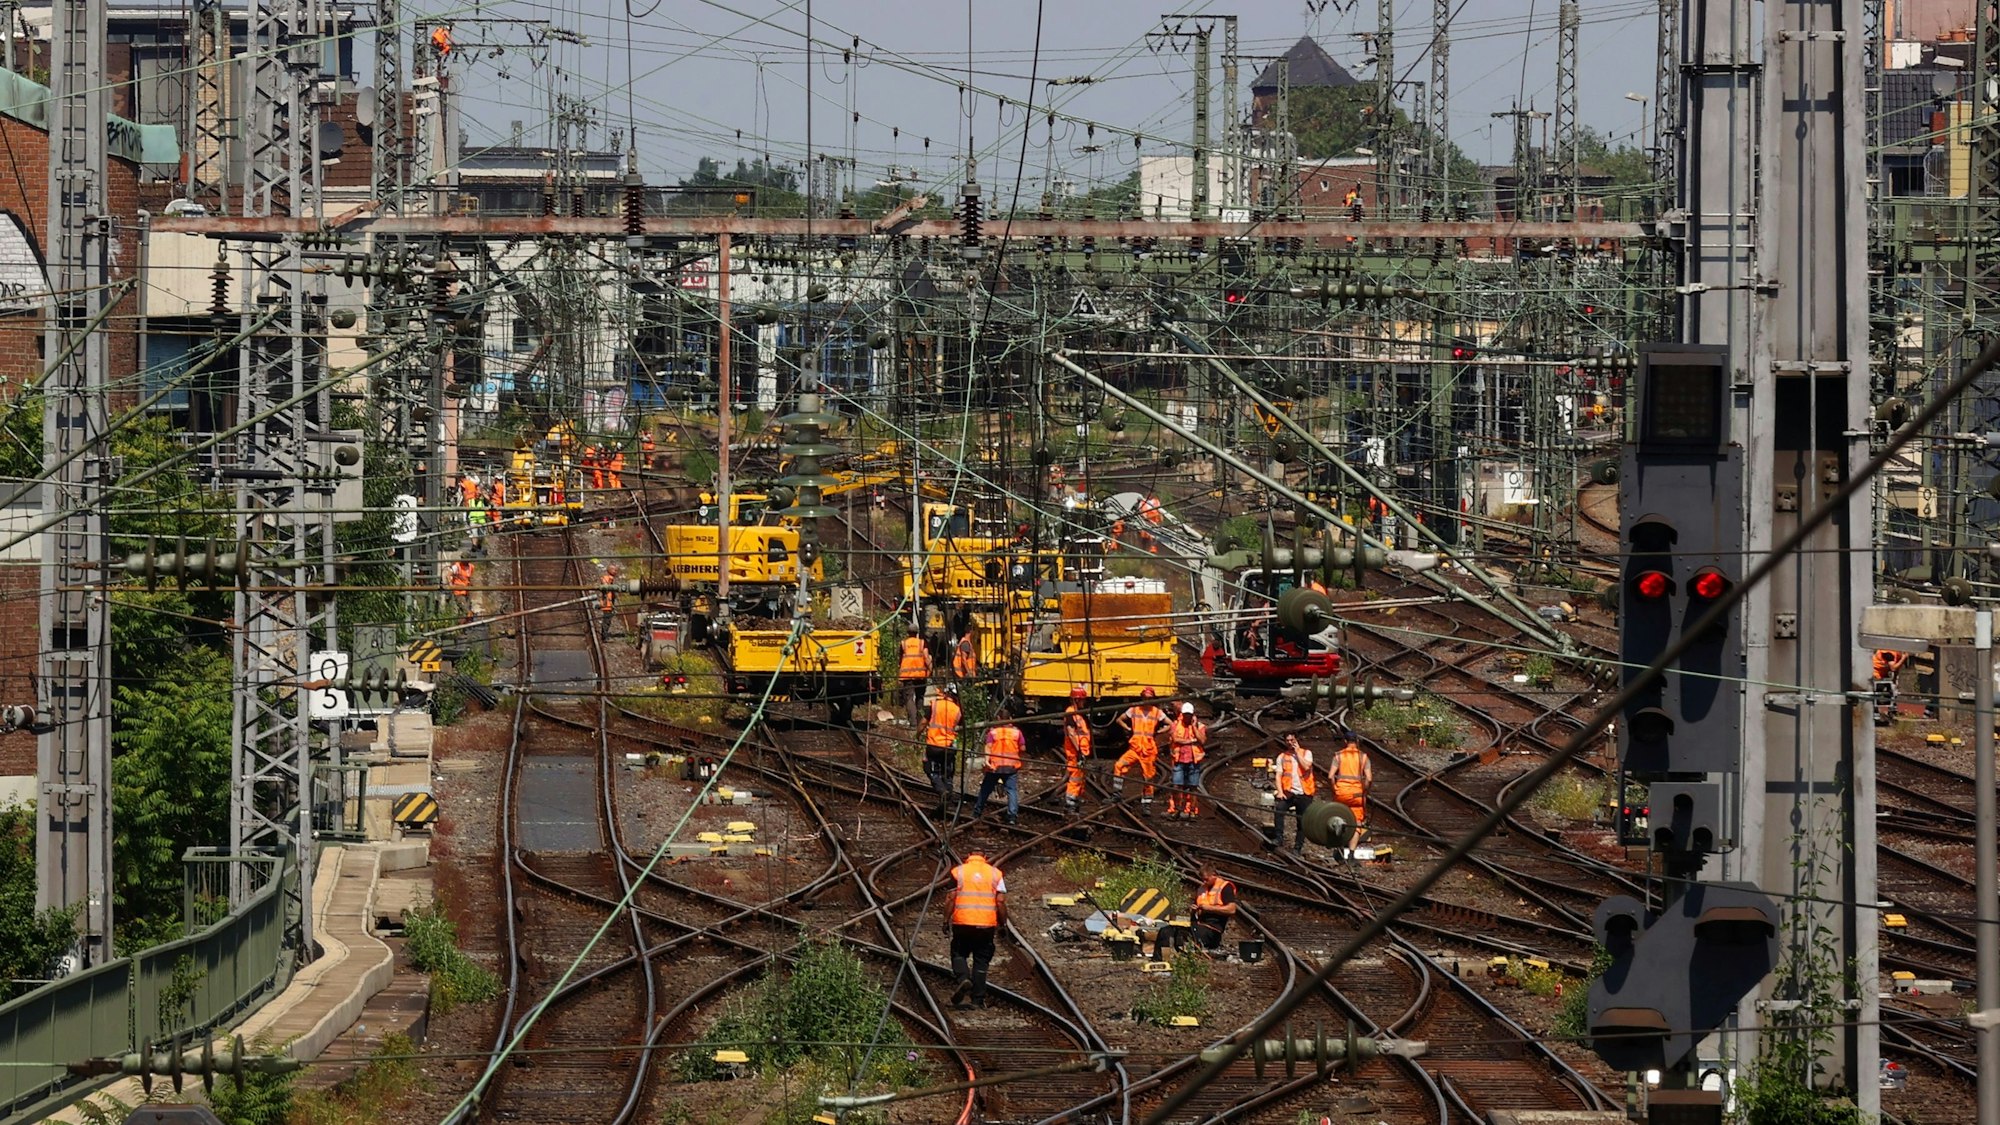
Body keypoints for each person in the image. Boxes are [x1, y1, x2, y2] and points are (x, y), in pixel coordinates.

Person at [947, 850, 1006, 1008]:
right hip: (986, 925)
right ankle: (977, 1000)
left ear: (968, 858)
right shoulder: (995, 873)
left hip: (962, 922)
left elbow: (951, 898)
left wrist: (946, 920)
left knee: (958, 952)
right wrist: (1003, 923)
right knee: (981, 959)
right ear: (985, 858)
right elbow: (1000, 901)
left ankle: (963, 979)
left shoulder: (958, 872)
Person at [1113, 687, 1168, 811]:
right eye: (1145, 698)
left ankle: (1146, 803)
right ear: (1142, 697)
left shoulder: (1157, 712)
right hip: (1135, 748)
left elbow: (1170, 724)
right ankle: (1116, 794)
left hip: (1148, 750)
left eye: (1149, 698)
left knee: (1148, 777)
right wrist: (1127, 728)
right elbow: (1119, 719)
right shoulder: (1134, 709)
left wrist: (1158, 731)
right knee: (1119, 766)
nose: (1146, 700)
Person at [971, 709, 1024, 824]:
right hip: (1011, 767)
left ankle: (977, 812)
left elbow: (988, 747)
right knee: (1012, 791)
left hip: (995, 767)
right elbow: (1023, 748)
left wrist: (986, 761)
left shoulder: (993, 732)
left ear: (999, 719)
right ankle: (1012, 817)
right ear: (1010, 719)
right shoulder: (1016, 732)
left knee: (985, 790)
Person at [1330, 730, 1373, 849]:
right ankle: (1352, 854)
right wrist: (1364, 791)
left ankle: (1339, 847)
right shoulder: (1363, 757)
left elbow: (1330, 776)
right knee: (1357, 824)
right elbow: (1368, 779)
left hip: (1341, 793)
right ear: (1357, 741)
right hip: (1357, 795)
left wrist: (1334, 788)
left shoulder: (1338, 755)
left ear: (1345, 741)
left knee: (1339, 818)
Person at [1164, 702, 1207, 819]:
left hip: (1194, 760)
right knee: (1177, 785)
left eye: (1189, 715)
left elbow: (1202, 740)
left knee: (1193, 787)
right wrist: (1192, 741)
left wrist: (1193, 727)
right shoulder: (1175, 725)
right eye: (1185, 714)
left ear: (1192, 715)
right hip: (1179, 760)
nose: (1187, 717)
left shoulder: (1200, 726)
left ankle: (1192, 811)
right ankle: (1177, 810)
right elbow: (1176, 739)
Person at [1272, 733, 1315, 851]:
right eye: (1287, 741)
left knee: (1302, 821)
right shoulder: (1282, 756)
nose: (1290, 743)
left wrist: (1297, 753)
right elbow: (1278, 775)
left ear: (1297, 740)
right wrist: (1280, 792)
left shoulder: (1307, 753)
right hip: (1289, 793)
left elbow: (1306, 767)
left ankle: (1297, 847)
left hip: (1304, 793)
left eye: (1292, 740)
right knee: (1279, 810)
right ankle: (1278, 838)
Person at [924, 683, 962, 814]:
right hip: (950, 746)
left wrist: (918, 734)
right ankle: (948, 794)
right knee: (948, 773)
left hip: (934, 744)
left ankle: (943, 792)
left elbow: (924, 721)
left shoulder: (935, 705)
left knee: (932, 770)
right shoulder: (957, 710)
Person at [1190, 865, 1239, 951]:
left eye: (1206, 879)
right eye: (1203, 879)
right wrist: (1193, 910)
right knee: (1169, 931)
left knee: (1192, 936)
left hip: (1213, 928)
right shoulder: (1201, 889)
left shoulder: (1225, 887)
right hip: (1199, 924)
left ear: (1214, 875)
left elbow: (1232, 909)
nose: (1204, 882)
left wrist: (1209, 908)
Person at [1061, 686, 1092, 813]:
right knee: (1075, 775)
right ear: (1077, 700)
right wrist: (1078, 750)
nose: (1084, 702)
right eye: (1082, 700)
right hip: (1075, 751)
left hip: (1081, 750)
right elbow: (1071, 732)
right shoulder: (1071, 713)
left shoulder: (1077, 713)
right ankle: (1070, 801)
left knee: (1080, 775)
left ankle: (1076, 797)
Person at [898, 631, 932, 725]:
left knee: (909, 698)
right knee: (920, 697)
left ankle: (913, 722)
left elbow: (900, 659)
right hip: (920, 675)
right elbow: (926, 657)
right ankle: (919, 720)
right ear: (917, 633)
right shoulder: (921, 643)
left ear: (908, 633)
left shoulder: (903, 643)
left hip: (907, 675)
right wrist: (930, 669)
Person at [599, 564, 620, 637]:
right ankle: (604, 635)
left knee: (608, 619)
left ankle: (605, 633)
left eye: (616, 570)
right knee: (606, 620)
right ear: (609, 570)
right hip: (606, 603)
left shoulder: (611, 579)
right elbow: (605, 587)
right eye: (614, 570)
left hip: (610, 603)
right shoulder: (605, 578)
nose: (616, 572)